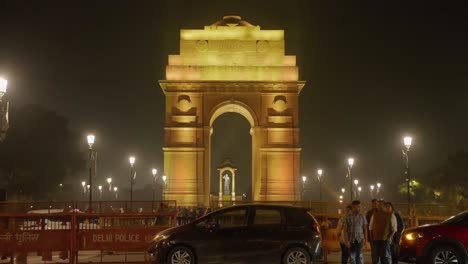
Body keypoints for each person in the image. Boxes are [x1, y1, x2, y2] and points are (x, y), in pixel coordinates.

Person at [369, 200, 396, 264]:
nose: (379, 207)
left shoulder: (390, 215)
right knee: (375, 258)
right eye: (378, 205)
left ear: (384, 206)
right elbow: (370, 227)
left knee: (385, 258)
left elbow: (394, 229)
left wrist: (389, 238)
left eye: (381, 205)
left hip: (385, 240)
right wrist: (372, 238)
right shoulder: (374, 215)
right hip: (375, 240)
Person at [343, 200, 368, 264]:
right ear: (353, 207)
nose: (359, 208)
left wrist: (366, 241)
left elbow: (365, 229)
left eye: (360, 207)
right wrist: (346, 241)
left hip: (360, 239)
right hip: (351, 240)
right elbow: (345, 230)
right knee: (352, 257)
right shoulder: (347, 217)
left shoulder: (362, 216)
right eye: (358, 207)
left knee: (360, 256)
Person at [366, 199, 379, 264]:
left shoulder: (381, 212)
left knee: (380, 251)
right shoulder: (369, 213)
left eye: (376, 204)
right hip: (372, 235)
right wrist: (368, 236)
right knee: (374, 251)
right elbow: (367, 225)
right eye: (373, 204)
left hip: (380, 235)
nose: (374, 205)